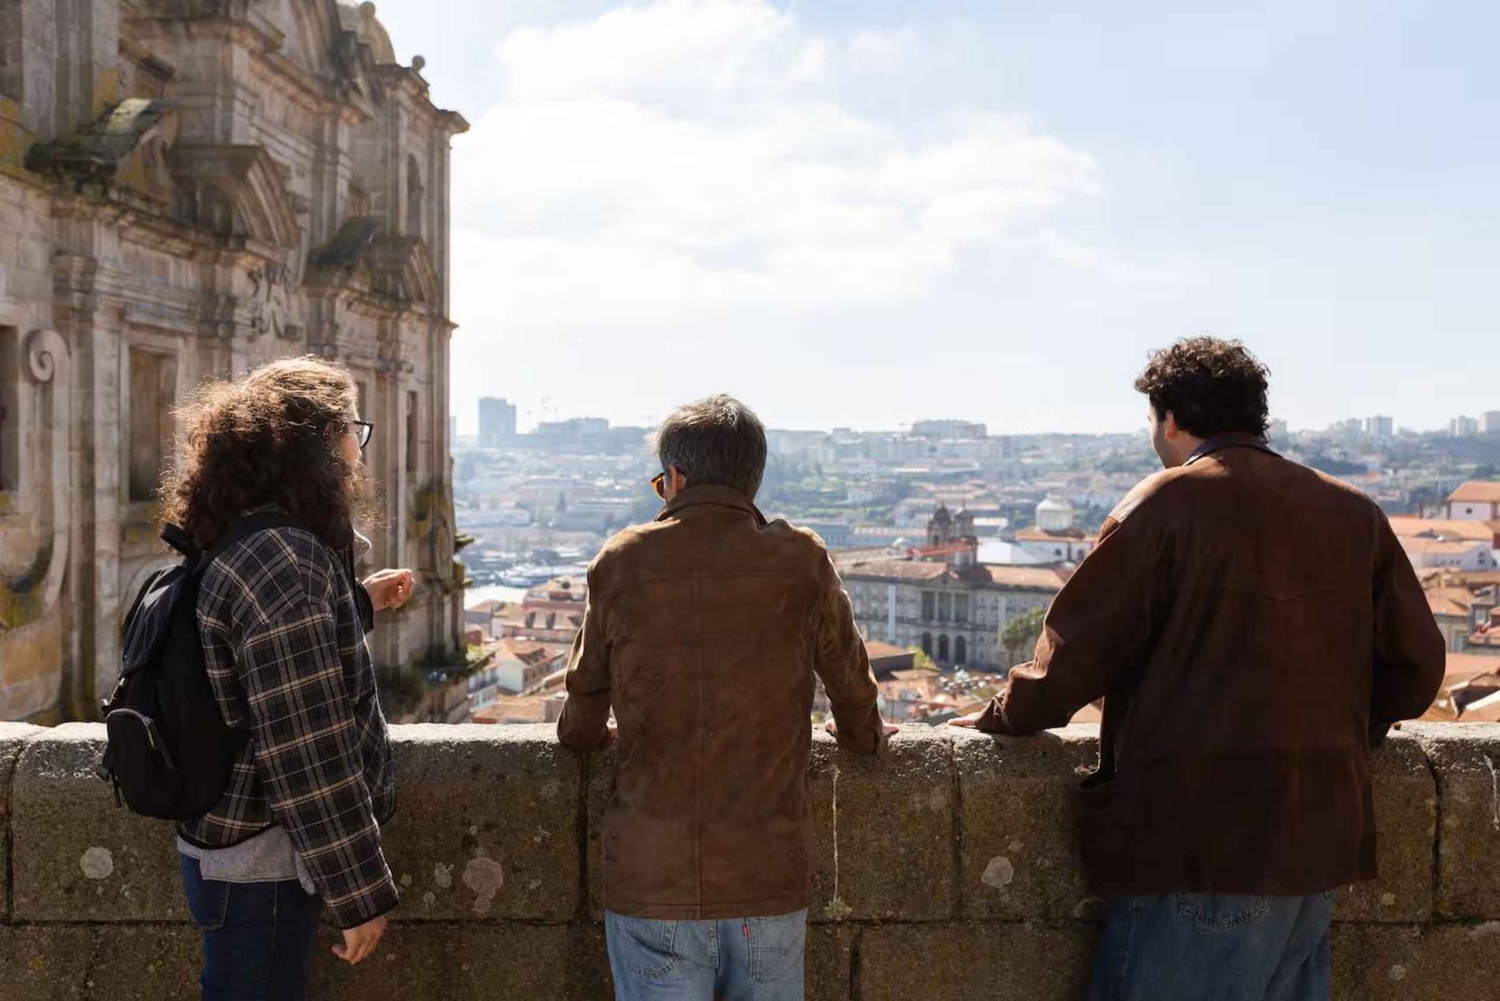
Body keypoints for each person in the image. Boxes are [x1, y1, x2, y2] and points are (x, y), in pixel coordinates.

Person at [951, 337, 1444, 1001]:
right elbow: (1416, 670)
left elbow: (1074, 657)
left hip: (1201, 840)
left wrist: (1004, 712)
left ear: (1170, 420)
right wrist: (1337, 724)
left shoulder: (1163, 506)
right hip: (1318, 836)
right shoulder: (1353, 513)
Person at [558, 394, 891, 1001]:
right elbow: (849, 679)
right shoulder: (801, 559)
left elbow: (581, 713)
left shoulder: (623, 561)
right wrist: (865, 737)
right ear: (752, 477)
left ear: (677, 478)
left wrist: (587, 736)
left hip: (652, 874)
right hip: (768, 871)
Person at [163, 357, 415, 1000]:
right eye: (352, 431)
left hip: (234, 853)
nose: (357, 454)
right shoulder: (283, 558)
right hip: (264, 866)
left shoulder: (244, 534)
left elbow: (273, 653)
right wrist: (359, 891)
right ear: (322, 444)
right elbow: (304, 743)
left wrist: (356, 601)